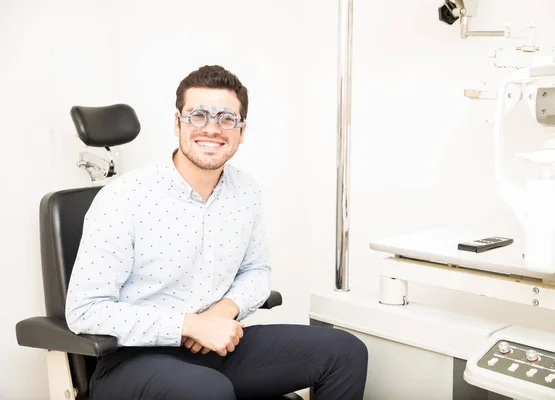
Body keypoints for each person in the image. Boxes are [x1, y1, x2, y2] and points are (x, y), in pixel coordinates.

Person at [65, 65, 368, 400]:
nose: (212, 128)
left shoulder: (245, 191)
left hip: (218, 349)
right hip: (133, 361)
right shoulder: (124, 198)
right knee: (207, 389)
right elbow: (85, 310)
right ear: (177, 122)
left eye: (226, 118)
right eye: (197, 116)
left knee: (345, 351)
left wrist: (223, 311)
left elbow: (255, 271)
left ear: (241, 131)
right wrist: (190, 326)